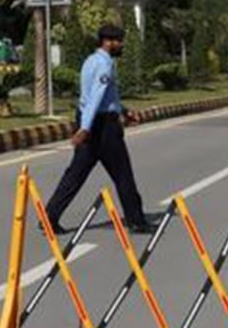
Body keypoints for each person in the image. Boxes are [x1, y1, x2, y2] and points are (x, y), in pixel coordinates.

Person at [43, 23, 157, 236]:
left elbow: (99, 97)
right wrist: (85, 129)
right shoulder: (105, 66)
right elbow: (95, 97)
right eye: (119, 41)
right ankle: (137, 221)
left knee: (75, 174)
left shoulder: (90, 61)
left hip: (93, 120)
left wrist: (123, 110)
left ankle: (50, 215)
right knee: (123, 174)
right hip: (102, 127)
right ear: (109, 41)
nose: (121, 45)